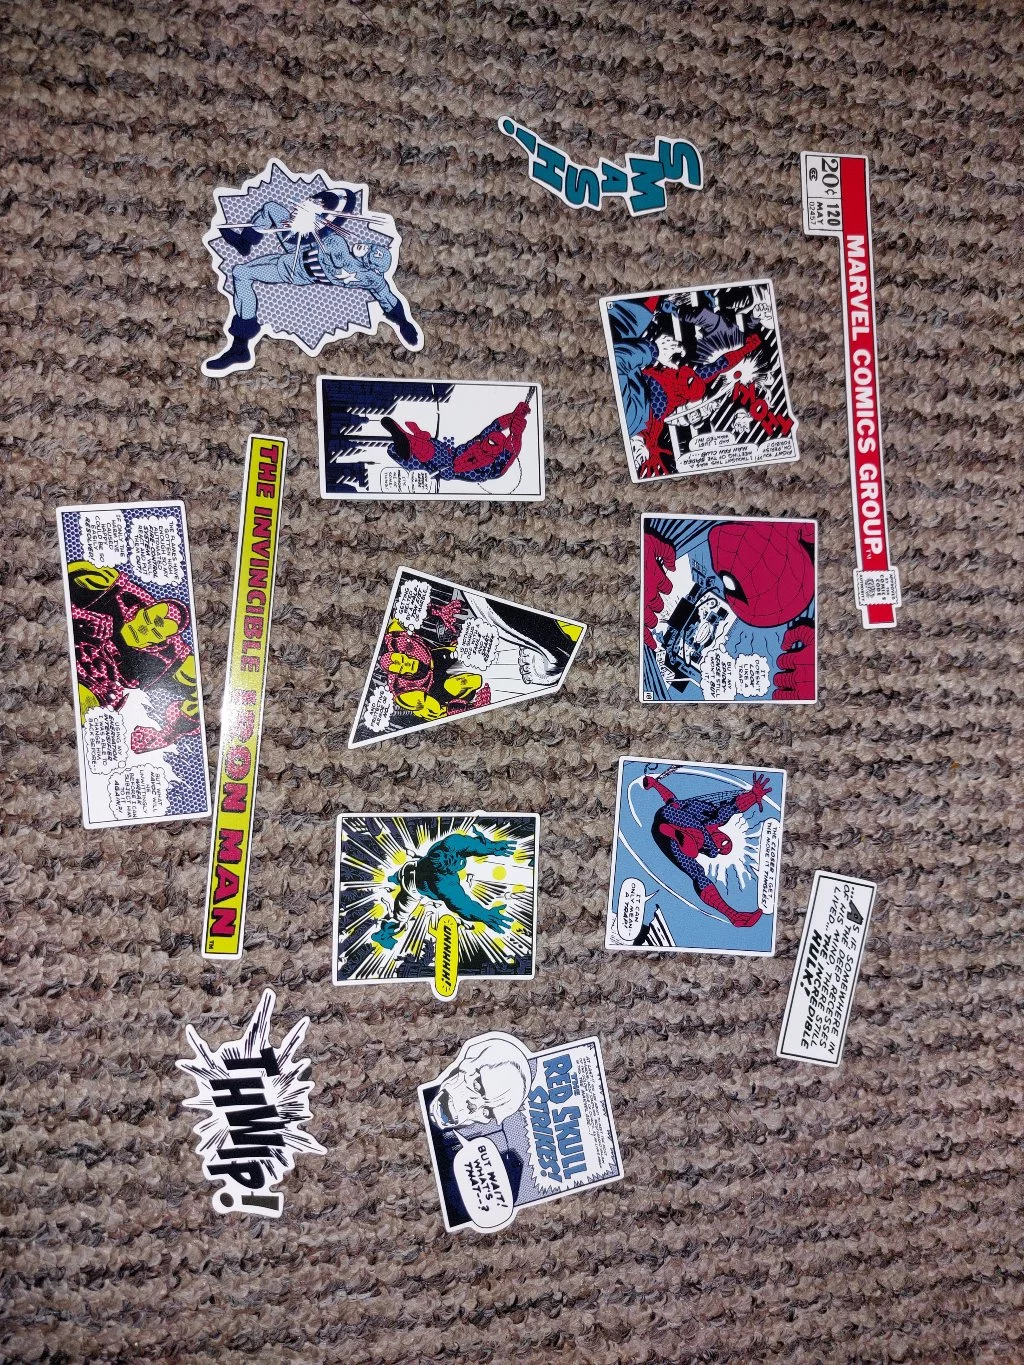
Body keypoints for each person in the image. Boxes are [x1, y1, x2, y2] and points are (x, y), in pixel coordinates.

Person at [204, 191, 421, 374]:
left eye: (371, 254)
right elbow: (388, 299)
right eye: (372, 246)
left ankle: (240, 347)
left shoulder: (346, 254)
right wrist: (403, 323)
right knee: (271, 208)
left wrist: (404, 323)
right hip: (300, 247)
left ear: (372, 267)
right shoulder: (356, 263)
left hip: (294, 268)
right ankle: (245, 241)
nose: (367, 248)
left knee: (241, 273)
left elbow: (387, 296)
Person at [607, 296, 762, 478]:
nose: (639, 457)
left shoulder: (634, 417)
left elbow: (614, 359)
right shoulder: (647, 419)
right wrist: (747, 348)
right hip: (633, 334)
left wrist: (654, 350)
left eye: (636, 457)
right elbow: (719, 366)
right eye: (640, 459)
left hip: (630, 333)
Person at [66, 561, 199, 752]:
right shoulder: (116, 591)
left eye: (156, 632)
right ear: (141, 610)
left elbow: (201, 697)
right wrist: (83, 618)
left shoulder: (173, 659)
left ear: (162, 640)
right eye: (146, 619)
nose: (144, 629)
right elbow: (68, 576)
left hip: (95, 687)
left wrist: (167, 735)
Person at [642, 769, 773, 928]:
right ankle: (682, 834)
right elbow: (733, 807)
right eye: (727, 842)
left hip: (668, 838)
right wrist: (753, 795)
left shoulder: (707, 841)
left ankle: (734, 916)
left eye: (722, 849)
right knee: (694, 817)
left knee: (697, 872)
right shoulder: (715, 819)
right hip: (670, 818)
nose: (724, 845)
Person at [373, 828, 515, 950]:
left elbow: (471, 844)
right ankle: (382, 935)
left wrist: (492, 848)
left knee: (399, 876)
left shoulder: (450, 844)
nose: (458, 862)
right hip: (412, 889)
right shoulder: (443, 883)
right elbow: (464, 906)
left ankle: (394, 878)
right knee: (399, 920)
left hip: (410, 867)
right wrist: (484, 915)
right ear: (446, 870)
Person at [381, 398, 533, 484]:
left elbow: (511, 450)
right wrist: (516, 414)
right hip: (448, 454)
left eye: (493, 444)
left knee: (424, 453)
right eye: (489, 440)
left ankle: (408, 441)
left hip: (447, 469)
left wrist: (517, 433)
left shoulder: (495, 466)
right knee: (429, 448)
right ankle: (408, 439)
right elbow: (497, 425)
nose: (488, 442)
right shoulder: (483, 439)